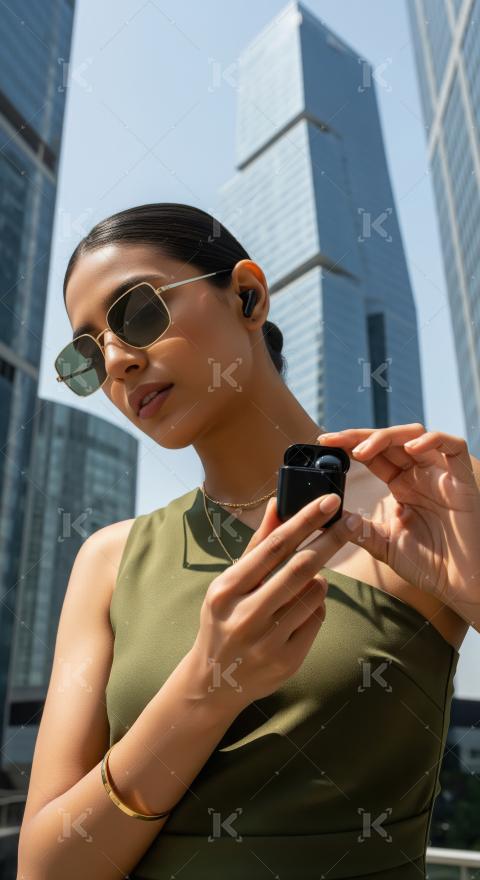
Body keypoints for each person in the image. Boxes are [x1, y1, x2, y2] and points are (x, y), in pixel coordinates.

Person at [17, 202, 480, 880]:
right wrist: (206, 686)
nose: (117, 360)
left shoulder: (427, 505)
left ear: (247, 295)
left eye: (137, 312)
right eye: (88, 354)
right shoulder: (109, 561)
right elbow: (46, 869)